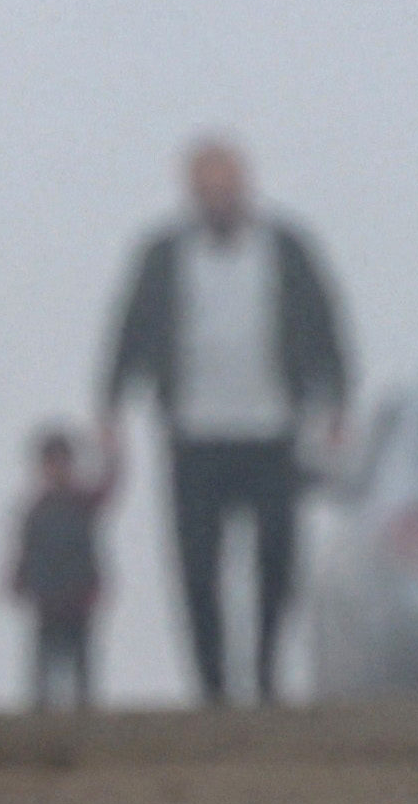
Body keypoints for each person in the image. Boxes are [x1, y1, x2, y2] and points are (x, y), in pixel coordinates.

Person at [93, 135, 352, 705]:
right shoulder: (162, 254)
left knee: (278, 560)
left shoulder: (287, 248)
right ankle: (211, 685)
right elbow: (129, 331)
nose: (219, 200)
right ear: (190, 195)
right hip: (192, 434)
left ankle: (263, 673)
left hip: (273, 431)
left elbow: (325, 325)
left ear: (246, 189)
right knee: (197, 568)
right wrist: (110, 408)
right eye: (206, 191)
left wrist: (337, 403)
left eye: (227, 189)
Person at [6, 422, 114, 714]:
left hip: (78, 600)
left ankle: (84, 715)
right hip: (47, 601)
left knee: (81, 667)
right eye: (50, 462)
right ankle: (41, 717)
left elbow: (110, 484)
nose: (56, 468)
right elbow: (24, 551)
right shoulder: (36, 510)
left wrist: (109, 449)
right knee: (44, 668)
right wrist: (17, 580)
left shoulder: (83, 502)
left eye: (61, 461)